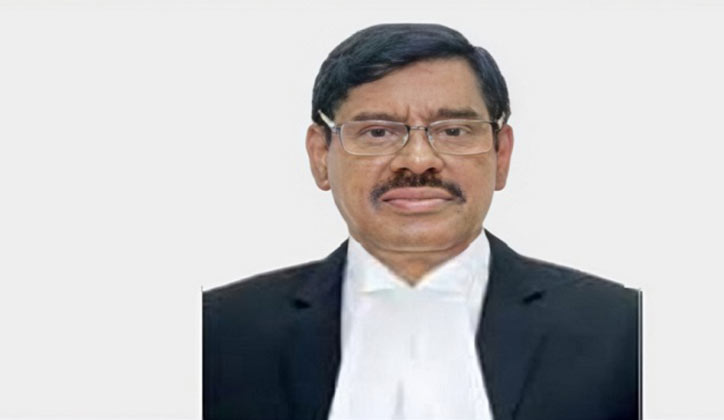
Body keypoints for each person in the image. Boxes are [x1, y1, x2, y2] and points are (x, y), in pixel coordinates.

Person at [203, 23, 640, 420]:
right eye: (378, 132)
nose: (417, 160)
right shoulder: (219, 332)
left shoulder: (624, 330)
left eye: (453, 131)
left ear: (501, 154)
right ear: (320, 156)